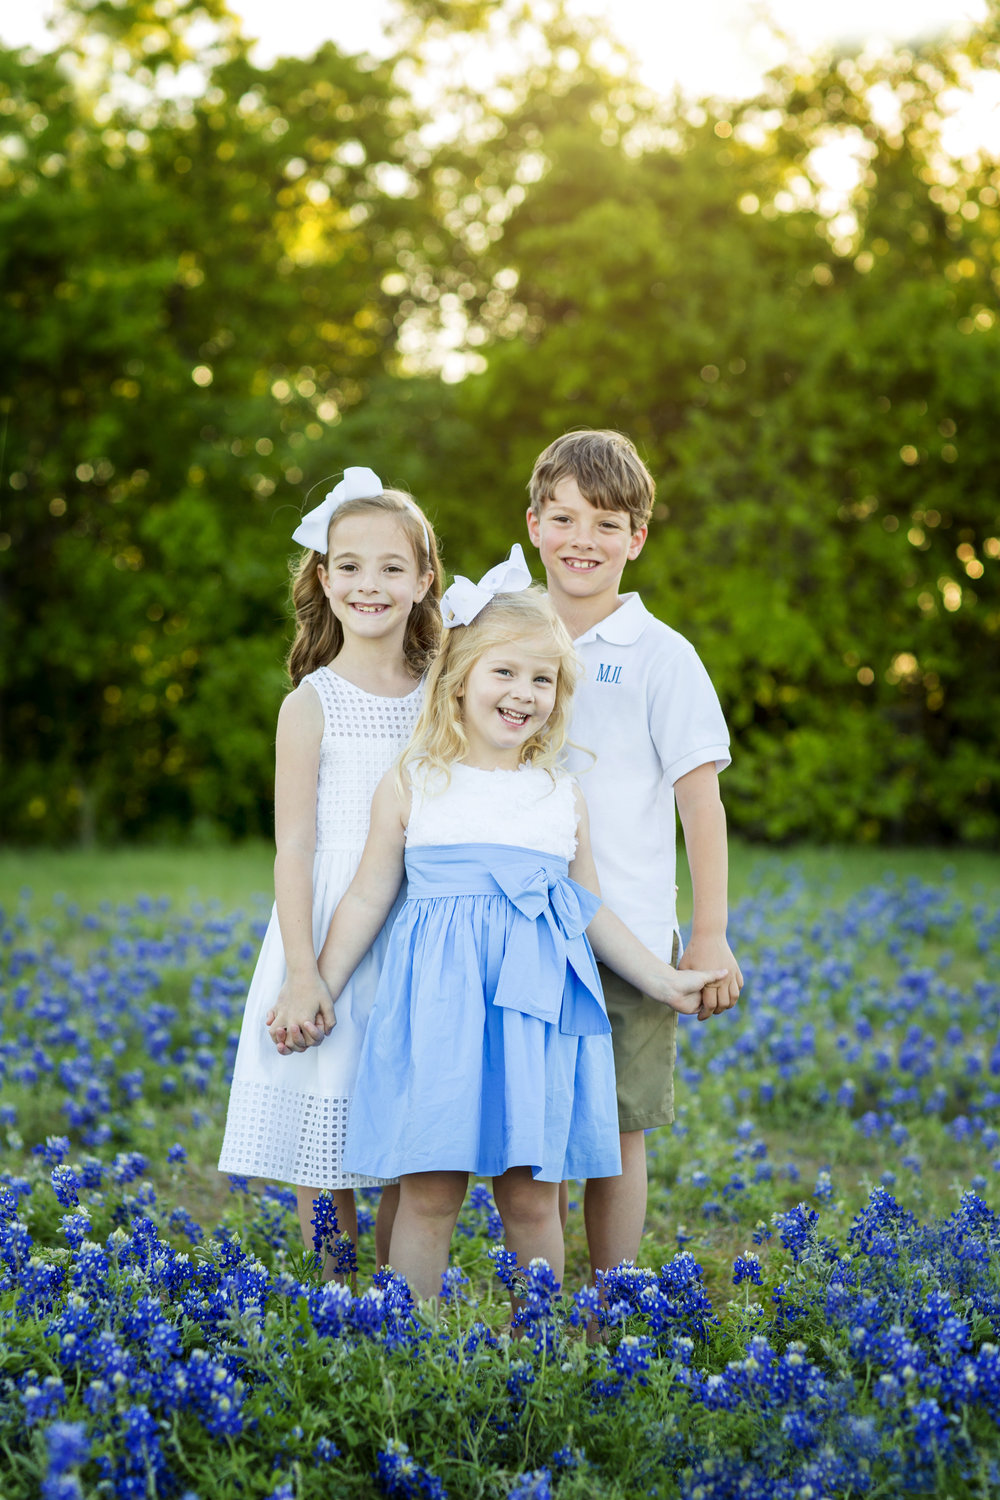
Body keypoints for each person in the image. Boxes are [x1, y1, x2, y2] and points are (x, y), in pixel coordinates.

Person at [291, 549, 726, 1300]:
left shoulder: (559, 792)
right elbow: (367, 896)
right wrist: (317, 985)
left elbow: (585, 909)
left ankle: (539, 1352)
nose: (524, 694)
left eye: (542, 679)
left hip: (535, 1019)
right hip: (441, 1016)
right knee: (429, 1190)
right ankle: (405, 1349)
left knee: (530, 1197)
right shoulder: (414, 780)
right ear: (459, 679)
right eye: (505, 673)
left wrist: (663, 977)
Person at [525, 429, 743, 1281]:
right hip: (521, 928)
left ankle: (614, 1297)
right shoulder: (501, 631)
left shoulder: (663, 655)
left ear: (637, 539)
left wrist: (711, 931)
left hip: (636, 931)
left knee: (618, 1129)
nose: (585, 539)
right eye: (566, 518)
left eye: (608, 523)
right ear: (535, 523)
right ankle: (532, 1300)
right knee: (531, 1129)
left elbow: (702, 804)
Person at [218, 465, 442, 1274]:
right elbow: (295, 846)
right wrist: (303, 970)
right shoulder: (310, 701)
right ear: (323, 575)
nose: (369, 584)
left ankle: (394, 1297)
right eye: (349, 565)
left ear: (424, 581)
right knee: (324, 1119)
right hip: (319, 926)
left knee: (403, 1132)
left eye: (391, 567)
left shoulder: (442, 694)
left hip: (416, 927)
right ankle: (335, 1292)